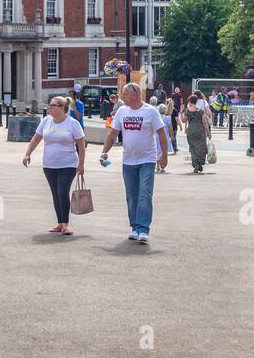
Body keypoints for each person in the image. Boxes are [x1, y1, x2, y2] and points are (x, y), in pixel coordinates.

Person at [99, 82, 169, 243]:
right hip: (128, 160)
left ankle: (143, 229)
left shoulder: (150, 111)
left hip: (147, 160)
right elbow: (112, 134)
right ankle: (135, 228)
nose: (122, 96)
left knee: (145, 194)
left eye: (125, 93)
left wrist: (164, 155)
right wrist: (104, 152)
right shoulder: (122, 111)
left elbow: (161, 134)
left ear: (135, 95)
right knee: (131, 196)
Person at [22, 96, 87, 234]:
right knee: (55, 194)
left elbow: (81, 145)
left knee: (62, 192)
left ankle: (66, 224)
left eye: (53, 105)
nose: (49, 108)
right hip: (49, 164)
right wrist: (28, 154)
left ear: (62, 108)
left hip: (68, 164)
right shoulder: (46, 121)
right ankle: (59, 223)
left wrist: (81, 164)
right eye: (49, 105)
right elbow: (36, 139)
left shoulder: (73, 123)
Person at [179, 94, 213, 173]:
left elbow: (183, 120)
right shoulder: (201, 111)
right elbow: (205, 123)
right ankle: (200, 162)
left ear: (190, 102)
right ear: (196, 101)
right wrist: (209, 132)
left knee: (193, 148)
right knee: (201, 147)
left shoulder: (187, 111)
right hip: (200, 131)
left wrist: (181, 112)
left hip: (191, 131)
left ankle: (196, 164)